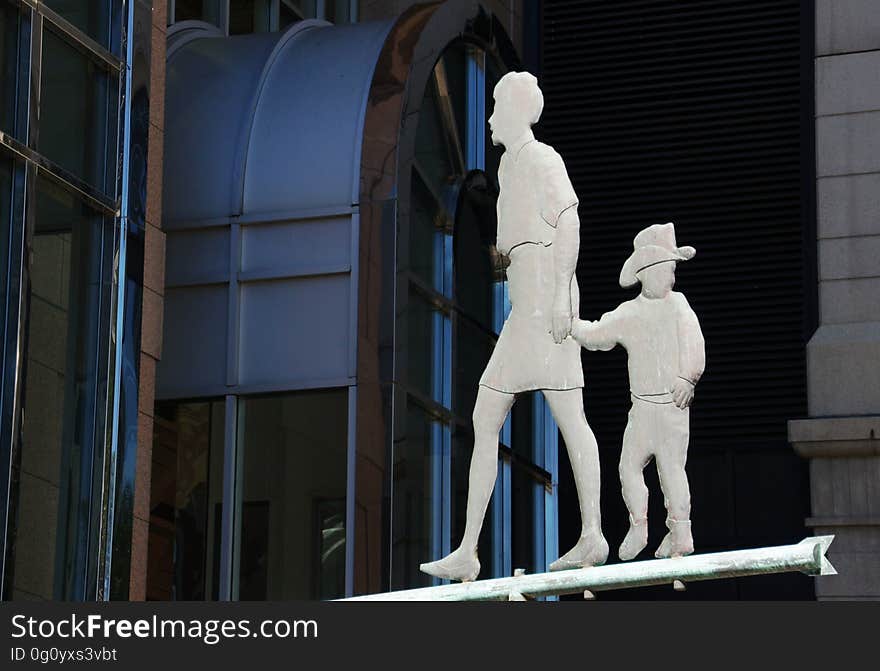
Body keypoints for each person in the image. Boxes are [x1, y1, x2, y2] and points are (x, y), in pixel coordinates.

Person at [420, 72, 608, 582]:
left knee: (571, 418)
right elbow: (508, 249)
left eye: (495, 106)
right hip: (523, 311)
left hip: (547, 305)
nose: (488, 117)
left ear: (517, 110)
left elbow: (569, 221)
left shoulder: (544, 159)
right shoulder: (507, 166)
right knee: (486, 414)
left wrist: (561, 300)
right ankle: (467, 550)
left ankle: (593, 531)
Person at [572, 222, 705, 560]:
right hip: (642, 409)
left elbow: (695, 344)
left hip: (672, 408)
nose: (672, 278)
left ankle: (681, 533)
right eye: (667, 269)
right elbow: (597, 334)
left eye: (674, 270)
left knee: (672, 471)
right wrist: (570, 324)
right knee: (628, 467)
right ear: (647, 272)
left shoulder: (679, 305)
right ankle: (640, 525)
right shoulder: (629, 313)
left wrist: (688, 378)